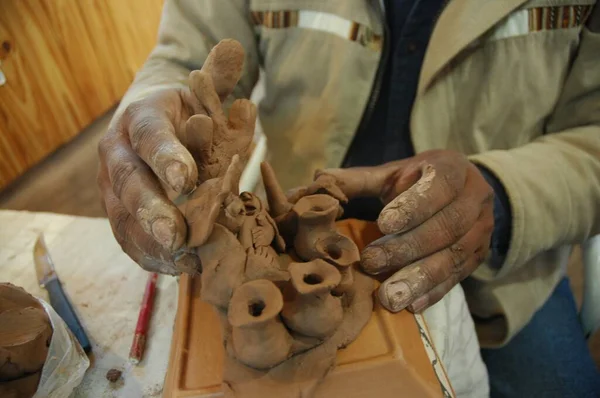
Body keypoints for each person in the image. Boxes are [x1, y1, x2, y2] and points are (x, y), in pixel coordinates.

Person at [97, 1, 600, 396]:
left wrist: (502, 192)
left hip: (499, 258)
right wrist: (147, 122)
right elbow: (187, 61)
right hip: (290, 237)